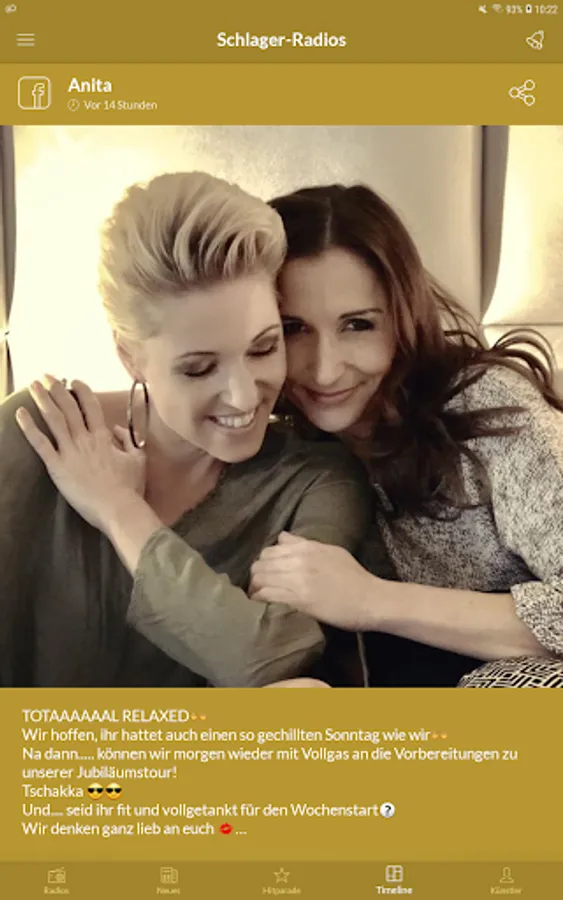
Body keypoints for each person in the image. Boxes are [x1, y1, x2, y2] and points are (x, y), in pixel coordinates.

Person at [0, 172, 371, 688]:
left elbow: (268, 661)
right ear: (130, 357)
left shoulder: (317, 481)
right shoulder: (36, 433)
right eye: (199, 369)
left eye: (264, 348)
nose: (245, 397)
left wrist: (119, 510)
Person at [248, 183, 563, 687]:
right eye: (293, 328)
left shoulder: (487, 407)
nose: (325, 370)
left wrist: (371, 600)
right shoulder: (282, 445)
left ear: (403, 318)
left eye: (358, 325)